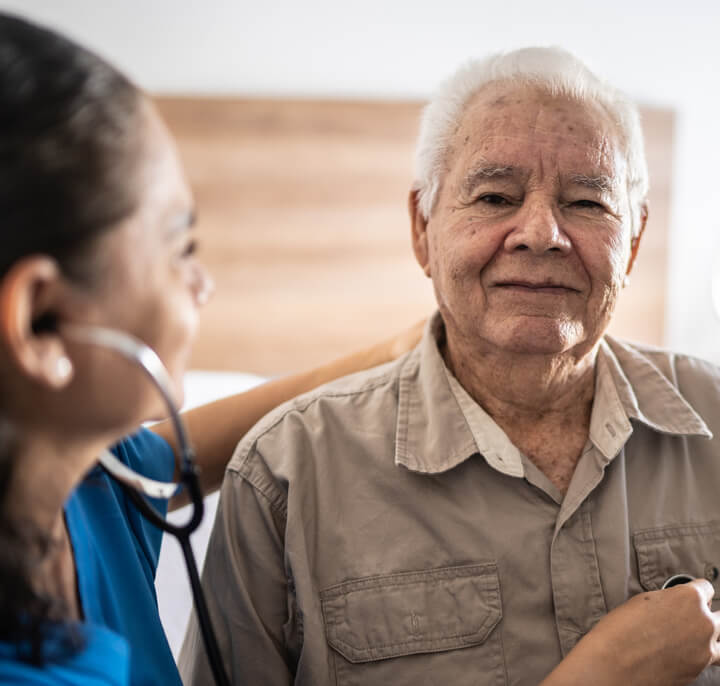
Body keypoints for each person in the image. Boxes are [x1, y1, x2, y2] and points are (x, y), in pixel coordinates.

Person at [180, 47, 720, 686]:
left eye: (586, 203)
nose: (541, 232)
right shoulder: (286, 475)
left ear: (632, 242)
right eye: (495, 196)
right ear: (421, 228)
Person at [0, 13, 425, 685]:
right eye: (181, 250)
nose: (204, 285)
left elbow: (204, 440)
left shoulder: (88, 476)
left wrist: (416, 345)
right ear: (42, 320)